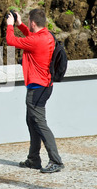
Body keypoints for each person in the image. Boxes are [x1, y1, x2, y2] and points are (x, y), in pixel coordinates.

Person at [6, 9, 64, 173]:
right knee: (32, 122)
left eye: (28, 21)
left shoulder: (36, 41)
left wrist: (10, 26)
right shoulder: (47, 36)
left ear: (33, 22)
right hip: (43, 86)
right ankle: (33, 159)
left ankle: (56, 161)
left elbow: (10, 40)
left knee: (39, 124)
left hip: (37, 88)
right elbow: (31, 37)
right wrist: (20, 25)